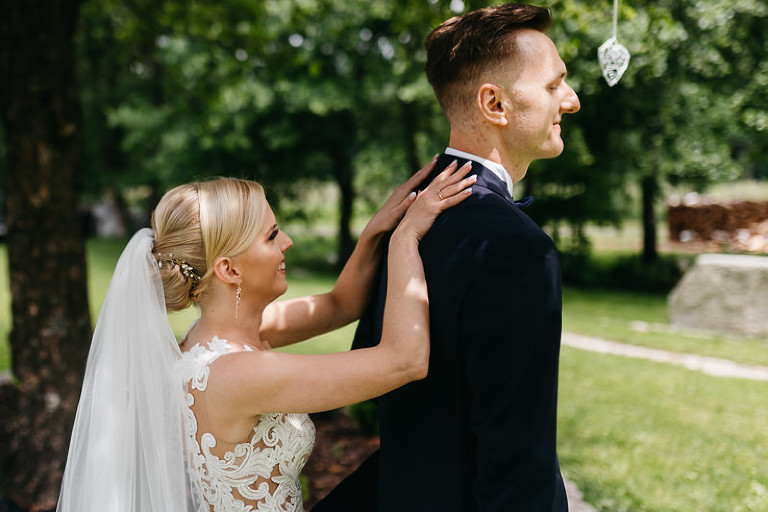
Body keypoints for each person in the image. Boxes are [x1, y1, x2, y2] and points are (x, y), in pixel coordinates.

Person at [56, 159, 475, 512]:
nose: (287, 242)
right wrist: (406, 239)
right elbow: (405, 360)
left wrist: (376, 232)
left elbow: (340, 305)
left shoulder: (215, 337)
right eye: (272, 235)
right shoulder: (237, 374)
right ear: (229, 270)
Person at [314, 3, 581, 511]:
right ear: (494, 104)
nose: (571, 101)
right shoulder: (517, 247)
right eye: (554, 85)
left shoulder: (405, 214)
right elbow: (516, 457)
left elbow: (372, 372)